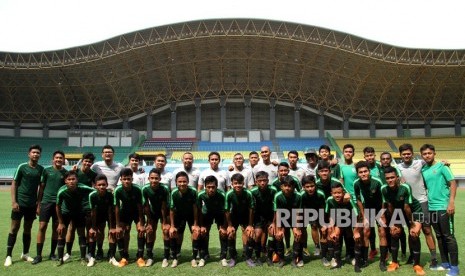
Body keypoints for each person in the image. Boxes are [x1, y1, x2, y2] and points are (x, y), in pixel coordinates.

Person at [420, 144, 459, 276]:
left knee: (448, 236)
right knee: (439, 236)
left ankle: (454, 267)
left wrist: (451, 202)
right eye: (424, 154)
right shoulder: (424, 169)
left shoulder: (443, 167)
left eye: (429, 153)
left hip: (443, 206)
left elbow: (452, 183)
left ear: (434, 153)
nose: (427, 155)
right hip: (431, 207)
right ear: (422, 156)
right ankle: (445, 263)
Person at [398, 143, 438, 268]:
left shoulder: (420, 163)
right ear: (400, 155)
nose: (406, 156)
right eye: (404, 154)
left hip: (422, 201)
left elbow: (433, 163)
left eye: (408, 153)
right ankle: (413, 256)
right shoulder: (397, 167)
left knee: (426, 229)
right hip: (408, 204)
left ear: (412, 154)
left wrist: (444, 162)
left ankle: (434, 258)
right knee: (412, 231)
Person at [381, 166, 426, 275]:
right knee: (394, 233)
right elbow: (390, 206)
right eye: (387, 178)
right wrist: (394, 223)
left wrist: (411, 224)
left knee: (414, 234)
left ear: (397, 177)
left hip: (414, 211)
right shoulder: (384, 189)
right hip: (398, 212)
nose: (390, 180)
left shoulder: (405, 187)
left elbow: (407, 208)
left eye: (392, 177)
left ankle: (417, 264)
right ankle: (395, 262)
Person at [5, 144, 44, 267]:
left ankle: (25, 253)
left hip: (31, 205)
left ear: (40, 155)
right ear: (29, 154)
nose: (36, 154)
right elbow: (14, 184)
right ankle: (9, 256)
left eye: (38, 153)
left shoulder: (41, 169)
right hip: (19, 203)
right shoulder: (22, 167)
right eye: (33, 152)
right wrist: (14, 201)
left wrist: (38, 203)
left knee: (28, 229)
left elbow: (41, 188)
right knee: (14, 228)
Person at [32, 150, 67, 264]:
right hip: (46, 202)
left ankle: (52, 253)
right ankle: (38, 255)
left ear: (63, 160)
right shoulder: (46, 171)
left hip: (58, 204)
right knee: (42, 227)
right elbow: (41, 188)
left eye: (60, 158)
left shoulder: (65, 173)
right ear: (53, 159)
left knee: (56, 229)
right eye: (56, 158)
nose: (58, 160)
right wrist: (38, 203)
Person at [353, 161, 387, 271]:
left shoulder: (377, 181)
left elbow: (383, 199)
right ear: (358, 173)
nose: (363, 174)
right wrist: (363, 215)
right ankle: (365, 259)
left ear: (369, 171)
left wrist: (382, 214)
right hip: (368, 209)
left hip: (379, 210)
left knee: (382, 232)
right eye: (360, 172)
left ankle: (382, 261)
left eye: (365, 171)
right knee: (366, 231)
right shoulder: (356, 183)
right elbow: (358, 200)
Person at [55, 171, 94, 266]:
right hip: (66, 213)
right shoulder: (61, 191)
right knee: (61, 233)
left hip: (79, 212)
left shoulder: (82, 187)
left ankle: (82, 258)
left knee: (81, 233)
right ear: (65, 181)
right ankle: (60, 259)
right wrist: (60, 222)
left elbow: (94, 190)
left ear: (77, 180)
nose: (71, 181)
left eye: (73, 179)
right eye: (69, 179)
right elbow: (57, 206)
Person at [65, 152, 97, 262]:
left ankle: (89, 252)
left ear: (92, 163)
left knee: (88, 229)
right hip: (74, 205)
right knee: (71, 228)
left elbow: (95, 187)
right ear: (82, 161)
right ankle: (68, 253)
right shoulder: (75, 172)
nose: (87, 163)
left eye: (90, 162)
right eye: (86, 161)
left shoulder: (93, 174)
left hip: (87, 204)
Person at [325, 182, 362, 271]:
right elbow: (331, 215)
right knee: (335, 235)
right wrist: (333, 230)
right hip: (339, 220)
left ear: (343, 193)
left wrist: (356, 231)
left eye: (339, 193)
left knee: (354, 236)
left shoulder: (349, 200)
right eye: (335, 193)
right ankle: (338, 260)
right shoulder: (329, 200)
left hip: (353, 220)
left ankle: (356, 260)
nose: (337, 195)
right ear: (331, 193)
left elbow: (357, 216)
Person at [113, 168, 145, 267]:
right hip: (124, 212)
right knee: (123, 231)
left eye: (129, 179)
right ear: (121, 179)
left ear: (132, 179)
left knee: (140, 230)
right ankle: (124, 256)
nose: (127, 181)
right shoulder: (118, 190)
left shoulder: (137, 189)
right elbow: (117, 208)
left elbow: (140, 206)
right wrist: (117, 225)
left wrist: (141, 223)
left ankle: (140, 257)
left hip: (136, 212)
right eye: (124, 179)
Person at [169, 171, 200, 268]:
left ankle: (194, 257)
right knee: (176, 233)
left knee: (195, 233)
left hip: (191, 215)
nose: (182, 184)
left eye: (184, 181)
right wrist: (172, 226)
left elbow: (195, 208)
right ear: (176, 182)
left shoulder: (193, 191)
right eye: (180, 182)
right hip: (179, 215)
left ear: (188, 182)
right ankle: (175, 257)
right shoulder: (174, 192)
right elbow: (171, 210)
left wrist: (195, 223)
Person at [141, 168, 171, 267]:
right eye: (152, 178)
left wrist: (165, 222)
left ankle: (166, 257)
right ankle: (150, 256)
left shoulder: (164, 188)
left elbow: (164, 206)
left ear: (160, 179)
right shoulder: (145, 189)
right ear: (148, 178)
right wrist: (149, 222)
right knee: (149, 231)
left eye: (156, 178)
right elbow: (146, 206)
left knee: (166, 231)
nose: (154, 180)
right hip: (152, 212)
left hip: (164, 212)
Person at [224, 173, 255, 267]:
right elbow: (227, 210)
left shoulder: (248, 193)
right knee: (230, 234)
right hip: (234, 216)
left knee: (249, 234)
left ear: (243, 183)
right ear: (232, 184)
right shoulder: (229, 194)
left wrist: (250, 225)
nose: (238, 185)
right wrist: (229, 226)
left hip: (246, 216)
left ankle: (248, 257)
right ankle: (233, 258)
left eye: (240, 183)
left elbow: (251, 209)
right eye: (235, 183)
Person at [197, 175, 228, 267]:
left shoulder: (222, 194)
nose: (211, 189)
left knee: (223, 233)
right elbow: (198, 210)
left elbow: (226, 211)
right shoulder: (200, 194)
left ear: (216, 187)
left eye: (213, 187)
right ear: (205, 187)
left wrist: (224, 226)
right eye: (208, 187)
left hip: (219, 213)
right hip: (207, 213)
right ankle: (203, 256)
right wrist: (201, 225)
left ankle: (223, 257)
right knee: (203, 233)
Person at [87, 174, 117, 267]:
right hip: (97, 215)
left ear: (107, 185)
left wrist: (112, 227)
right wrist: (93, 227)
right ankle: (95, 254)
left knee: (112, 233)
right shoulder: (92, 195)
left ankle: (112, 256)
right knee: (97, 232)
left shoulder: (110, 195)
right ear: (95, 185)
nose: (101, 187)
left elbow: (110, 211)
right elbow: (93, 212)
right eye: (99, 185)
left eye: (103, 185)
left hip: (109, 214)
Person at [273, 175, 303, 267]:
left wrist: (297, 228)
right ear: (281, 187)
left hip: (294, 217)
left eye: (290, 186)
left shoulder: (298, 196)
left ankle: (294, 259)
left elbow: (299, 213)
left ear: (294, 187)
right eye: (285, 186)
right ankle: (282, 259)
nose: (287, 188)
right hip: (283, 217)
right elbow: (277, 213)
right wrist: (278, 229)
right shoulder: (277, 196)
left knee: (298, 235)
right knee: (279, 235)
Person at [250, 171, 278, 265]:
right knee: (257, 235)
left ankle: (269, 257)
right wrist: (251, 224)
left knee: (272, 233)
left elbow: (276, 208)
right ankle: (257, 257)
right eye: (260, 181)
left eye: (264, 180)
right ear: (256, 182)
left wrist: (274, 223)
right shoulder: (253, 192)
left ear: (268, 180)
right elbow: (251, 208)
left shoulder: (273, 190)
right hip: (259, 216)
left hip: (271, 215)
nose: (262, 183)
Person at [362, 147, 382, 260]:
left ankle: (386, 250)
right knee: (370, 229)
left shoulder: (381, 166)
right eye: (367, 155)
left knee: (383, 229)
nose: (369, 157)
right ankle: (373, 249)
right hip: (368, 204)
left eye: (371, 155)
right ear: (364, 157)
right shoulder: (362, 168)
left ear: (375, 155)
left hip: (381, 203)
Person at [300, 175, 326, 258]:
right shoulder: (301, 195)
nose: (310, 189)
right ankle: (306, 247)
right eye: (307, 187)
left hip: (318, 210)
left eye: (312, 186)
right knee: (305, 227)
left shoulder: (320, 194)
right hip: (305, 211)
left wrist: (322, 223)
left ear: (315, 185)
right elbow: (299, 209)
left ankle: (323, 247)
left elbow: (323, 208)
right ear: (303, 187)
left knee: (320, 227)